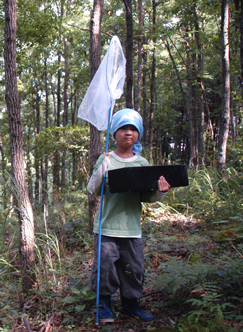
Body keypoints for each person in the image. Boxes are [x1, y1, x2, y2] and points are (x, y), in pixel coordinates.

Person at [87, 108, 171, 323]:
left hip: (132, 228)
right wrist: (102, 168)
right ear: (114, 133)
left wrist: (161, 191)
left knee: (133, 268)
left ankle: (130, 306)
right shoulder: (106, 158)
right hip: (107, 227)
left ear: (138, 134)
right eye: (123, 128)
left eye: (133, 129)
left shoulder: (141, 163)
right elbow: (92, 189)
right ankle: (103, 306)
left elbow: (147, 196)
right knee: (105, 268)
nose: (128, 133)